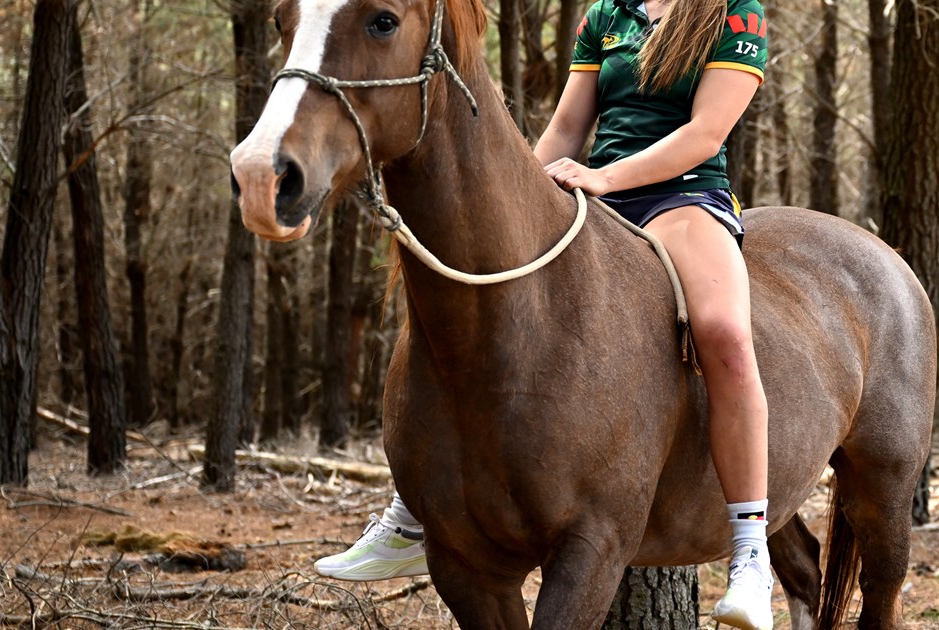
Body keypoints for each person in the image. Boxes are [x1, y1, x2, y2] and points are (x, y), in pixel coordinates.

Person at [316, 0, 773, 626]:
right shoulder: (606, 14)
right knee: (477, 309)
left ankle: (751, 553)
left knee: (723, 331)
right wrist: (508, 209)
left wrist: (605, 177)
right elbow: (563, 130)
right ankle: (413, 509)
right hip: (587, 193)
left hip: (682, 197)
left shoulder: (735, 14)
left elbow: (704, 135)